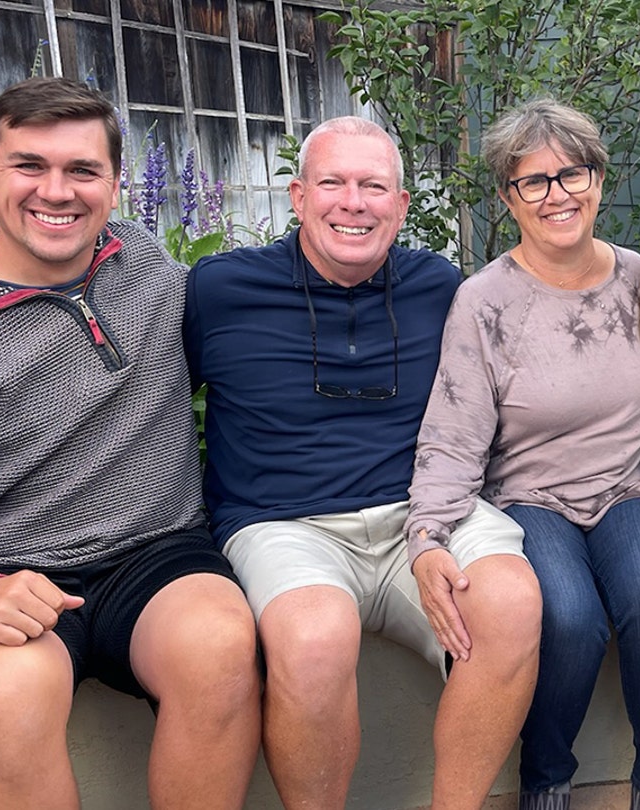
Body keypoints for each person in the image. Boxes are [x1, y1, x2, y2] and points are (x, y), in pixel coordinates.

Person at [0, 77, 261, 809]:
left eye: (82, 170)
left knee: (219, 645)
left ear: (117, 183)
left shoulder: (145, 264)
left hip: (154, 551)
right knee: (4, 697)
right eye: (29, 166)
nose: (57, 192)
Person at [185, 116, 542, 810]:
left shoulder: (438, 287)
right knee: (314, 638)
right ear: (297, 196)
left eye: (374, 186)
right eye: (333, 183)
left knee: (512, 601)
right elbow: (150, 398)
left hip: (424, 514)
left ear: (401, 206)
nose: (354, 203)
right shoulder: (220, 290)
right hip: (284, 523)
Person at [406, 99, 640, 810]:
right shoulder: (485, 302)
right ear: (509, 198)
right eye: (533, 181)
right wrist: (428, 535)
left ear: (599, 180)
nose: (557, 194)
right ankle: (547, 780)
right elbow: (453, 432)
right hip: (529, 497)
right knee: (566, 618)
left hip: (630, 489)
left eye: (572, 174)